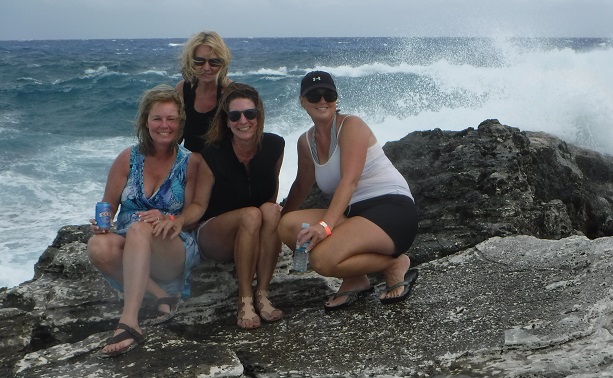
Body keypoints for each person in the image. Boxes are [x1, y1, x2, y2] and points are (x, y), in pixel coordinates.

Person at [278, 70, 419, 311]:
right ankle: (355, 279)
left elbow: (349, 181)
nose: (322, 101)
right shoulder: (306, 141)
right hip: (355, 215)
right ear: (302, 101)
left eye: (329, 95)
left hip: (392, 210)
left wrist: (324, 226)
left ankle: (393, 265)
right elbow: (302, 185)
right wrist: (276, 219)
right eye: (314, 96)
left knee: (322, 260)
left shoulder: (351, 125)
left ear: (336, 99)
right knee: (287, 226)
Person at [155, 82, 285, 330]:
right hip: (214, 233)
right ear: (226, 120)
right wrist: (178, 220)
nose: (243, 121)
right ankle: (244, 300)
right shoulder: (212, 154)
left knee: (271, 210)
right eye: (234, 116)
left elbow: (271, 193)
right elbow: (199, 204)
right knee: (251, 214)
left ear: (259, 116)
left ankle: (263, 293)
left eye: (250, 113)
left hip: (253, 228)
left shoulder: (275, 146)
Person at [87, 84, 201, 357]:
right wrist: (101, 224)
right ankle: (161, 294)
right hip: (132, 244)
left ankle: (129, 321)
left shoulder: (190, 162)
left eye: (171, 119)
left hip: (171, 247)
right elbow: (108, 206)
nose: (164, 125)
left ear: (180, 123)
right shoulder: (128, 158)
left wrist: (168, 217)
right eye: (157, 118)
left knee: (139, 230)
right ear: (146, 122)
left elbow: (193, 216)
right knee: (97, 246)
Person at [177, 30, 232, 152]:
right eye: (199, 61)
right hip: (190, 161)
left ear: (222, 63)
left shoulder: (231, 92)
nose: (206, 68)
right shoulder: (183, 90)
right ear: (191, 62)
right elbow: (177, 135)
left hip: (222, 163)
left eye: (214, 62)